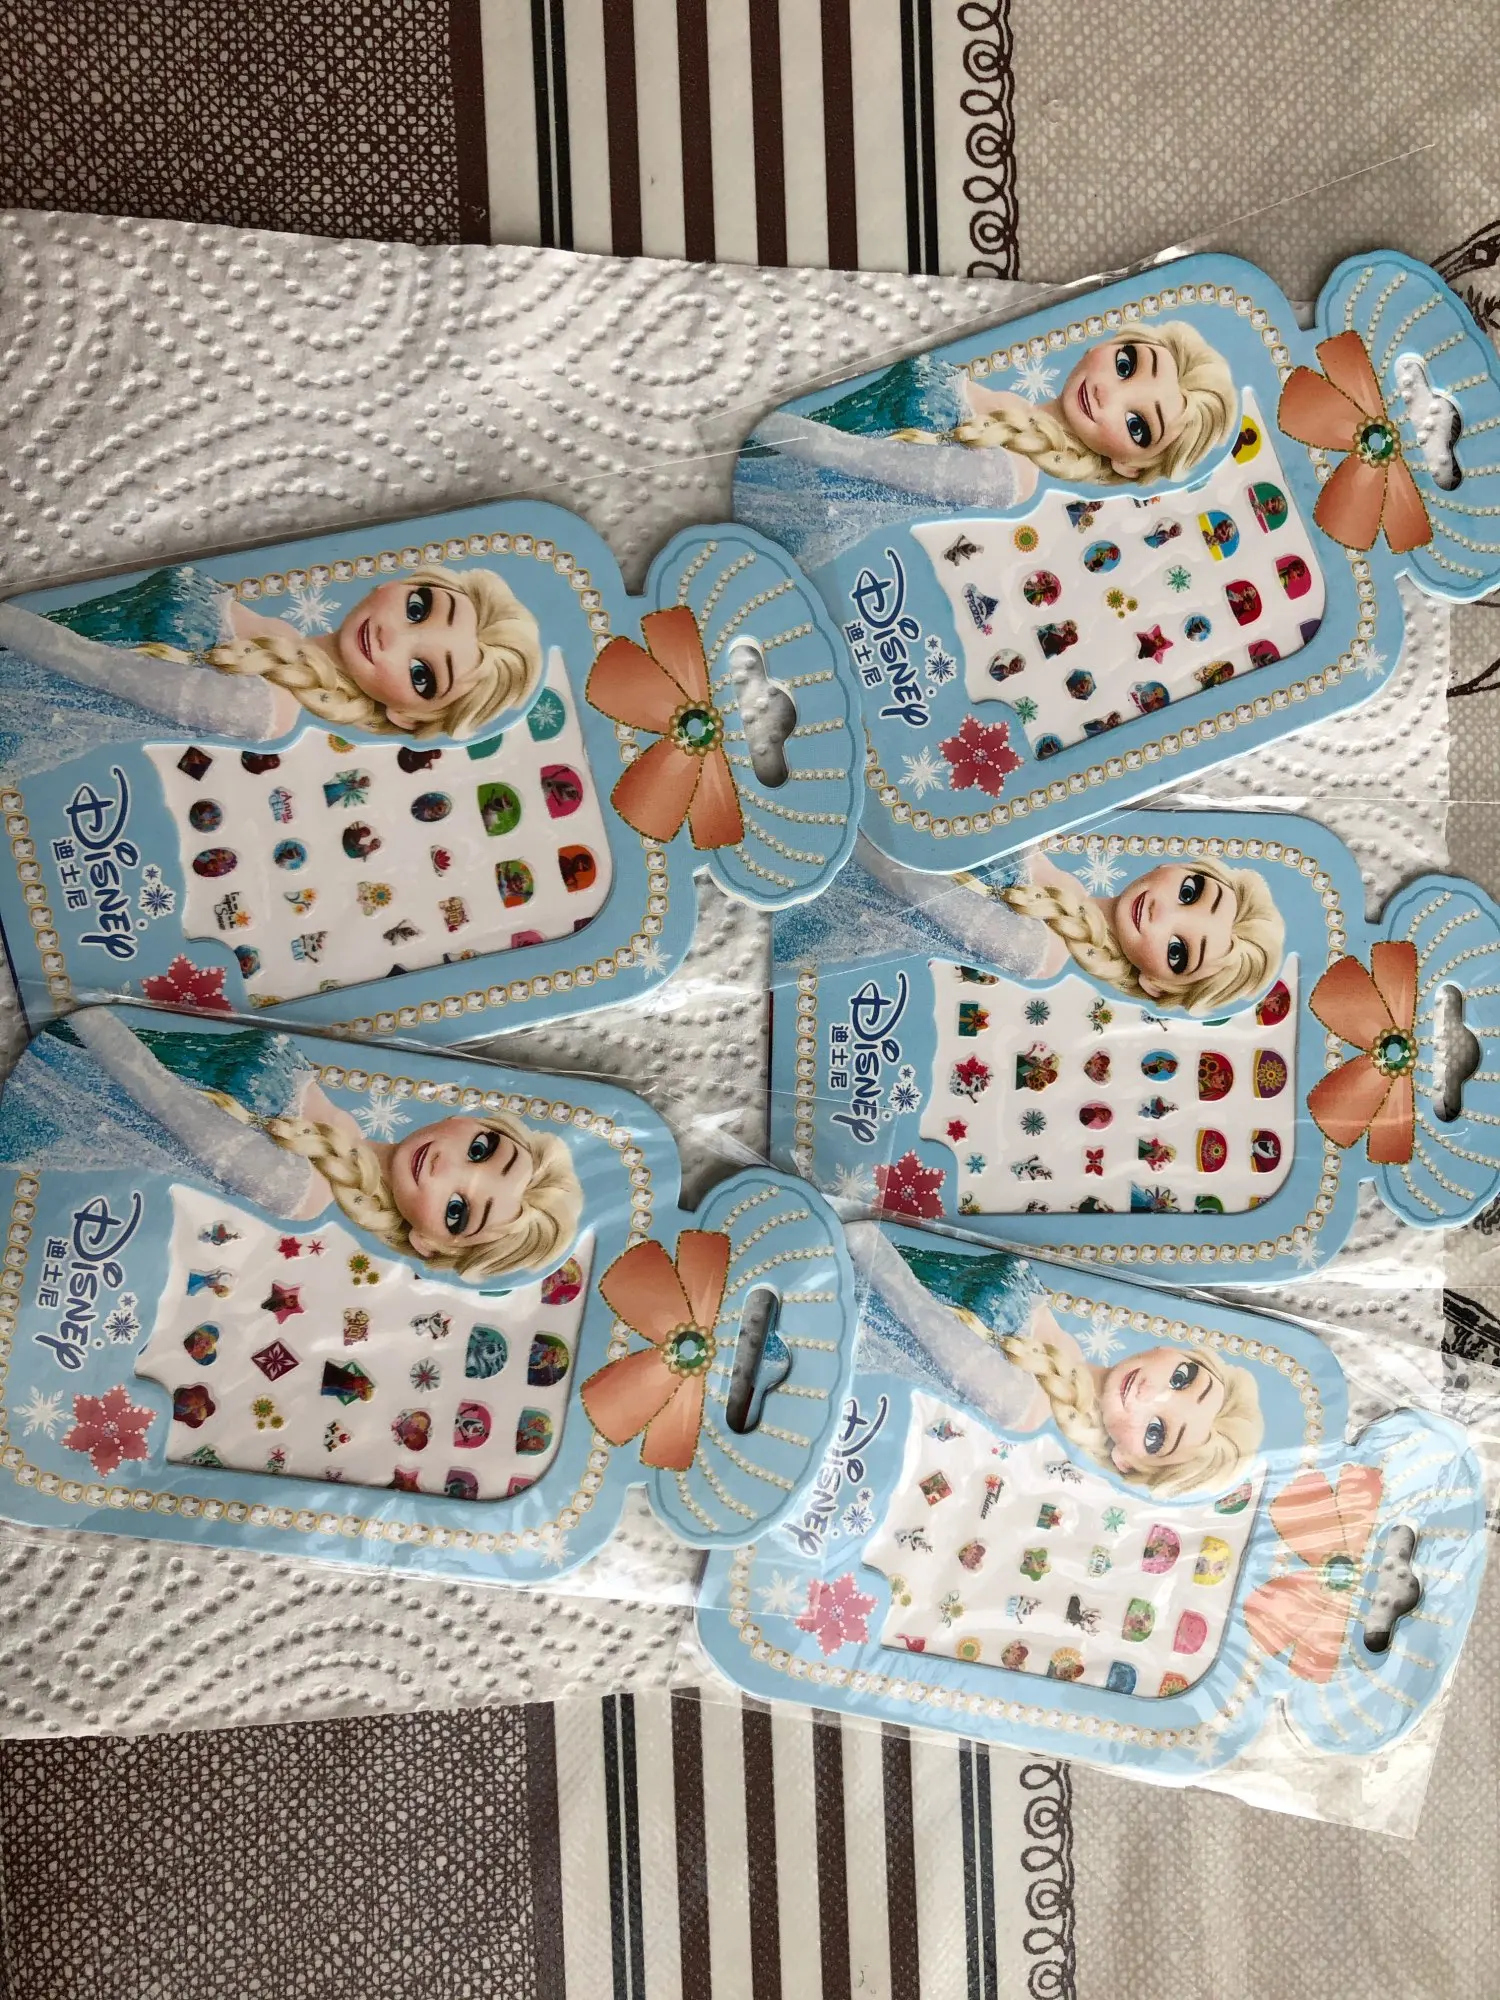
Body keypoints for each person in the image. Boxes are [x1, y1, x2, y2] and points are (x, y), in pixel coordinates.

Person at [0, 1015, 581, 1283]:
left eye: (458, 1210)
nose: (449, 1168)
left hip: (50, 1077)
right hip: (58, 1031)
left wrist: (91, 1021)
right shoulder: (340, 1121)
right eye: (482, 1149)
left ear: (428, 1243)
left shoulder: (301, 1192)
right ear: (468, 1120)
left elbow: (164, 1103)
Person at [736, 327, 1237, 569]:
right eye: (1126, 365)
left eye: (1137, 424)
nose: (1109, 392)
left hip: (791, 497)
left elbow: (858, 459)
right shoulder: (1008, 401)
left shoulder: (1013, 477)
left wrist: (757, 422)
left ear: (1129, 466)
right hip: (788, 440)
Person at [855, 1228, 1262, 1497]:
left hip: (840, 1287)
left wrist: (866, 1246)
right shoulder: (1062, 1335)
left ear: (1125, 1461)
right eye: (1183, 1377)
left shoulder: (1022, 1405)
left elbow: (916, 1311)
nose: (1151, 1392)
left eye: (1156, 1433)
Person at [0, 559, 542, 757]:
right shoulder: (278, 631)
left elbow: (98, 669)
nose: (393, 636)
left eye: (422, 675)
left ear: (405, 716)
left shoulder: (266, 709)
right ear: (399, 584)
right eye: (418, 608)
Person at [774, 836, 1284, 1017]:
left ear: (1155, 985)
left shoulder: (1040, 953)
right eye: (1191, 892)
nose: (1163, 913)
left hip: (828, 876)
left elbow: (912, 883)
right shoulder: (1065, 879)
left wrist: (855, 824)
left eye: (1178, 951)